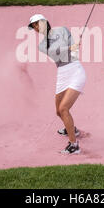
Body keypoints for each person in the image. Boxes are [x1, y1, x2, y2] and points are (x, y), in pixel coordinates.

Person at [28, 14, 86, 154]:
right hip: (62, 73)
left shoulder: (63, 30)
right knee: (58, 111)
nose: (36, 27)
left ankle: (74, 145)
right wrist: (70, 48)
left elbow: (73, 53)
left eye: (37, 24)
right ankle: (72, 129)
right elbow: (56, 53)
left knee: (64, 108)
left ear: (44, 22)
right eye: (34, 26)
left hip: (75, 70)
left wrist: (74, 47)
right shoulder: (41, 46)